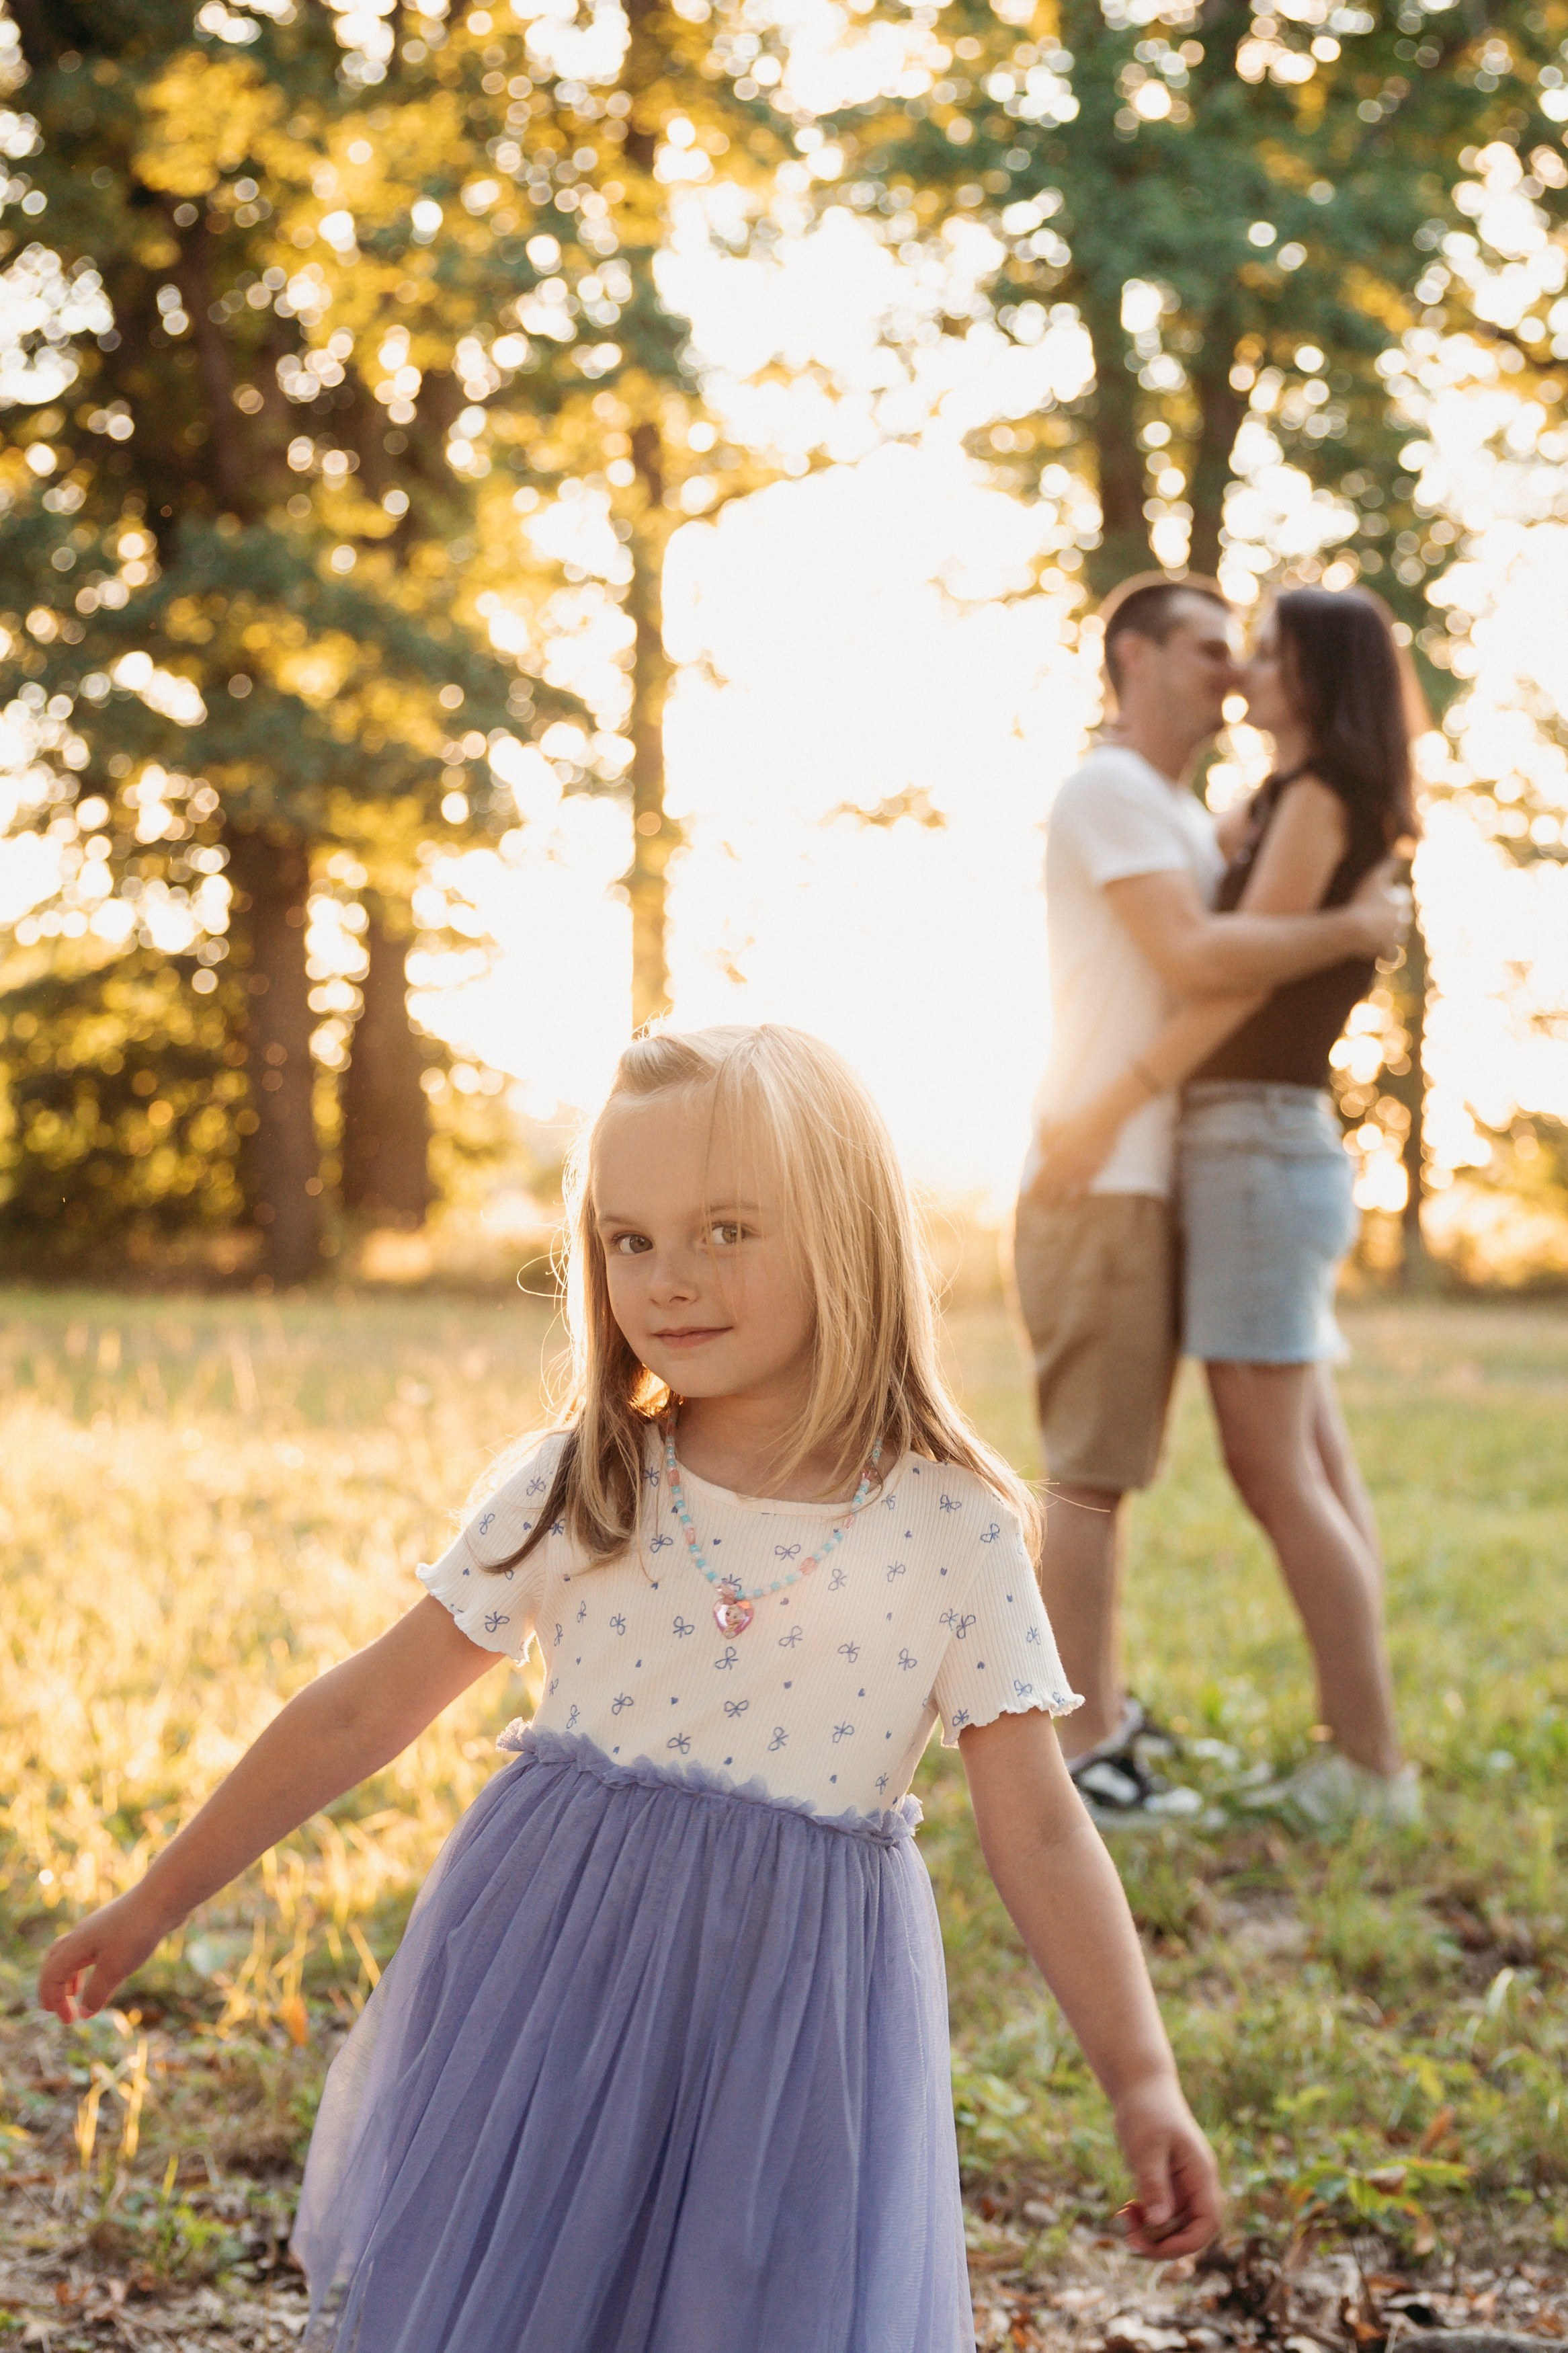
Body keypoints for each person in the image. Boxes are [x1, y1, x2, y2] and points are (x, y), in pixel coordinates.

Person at [41, 1024, 1222, 2353]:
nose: (671, 1279)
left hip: (790, 2034)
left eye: (728, 1229)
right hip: (550, 2000)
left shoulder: (952, 1529)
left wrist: (1141, 2077)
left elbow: (1042, 1826)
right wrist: (156, 1899)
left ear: (848, 1232)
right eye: (630, 1237)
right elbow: (361, 1711)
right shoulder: (581, 1485)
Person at [1015, 575, 1409, 1828]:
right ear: (1131, 659)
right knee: (1100, 1471)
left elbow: (1228, 969)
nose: (1234, 672)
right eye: (1204, 650)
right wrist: (1352, 921)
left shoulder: (1197, 811)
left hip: (1191, 1159)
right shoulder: (1116, 793)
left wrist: (1339, 912)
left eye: (1251, 653)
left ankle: (1351, 1752)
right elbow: (1200, 965)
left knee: (1276, 1462)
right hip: (1115, 1165)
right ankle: (1090, 1749)